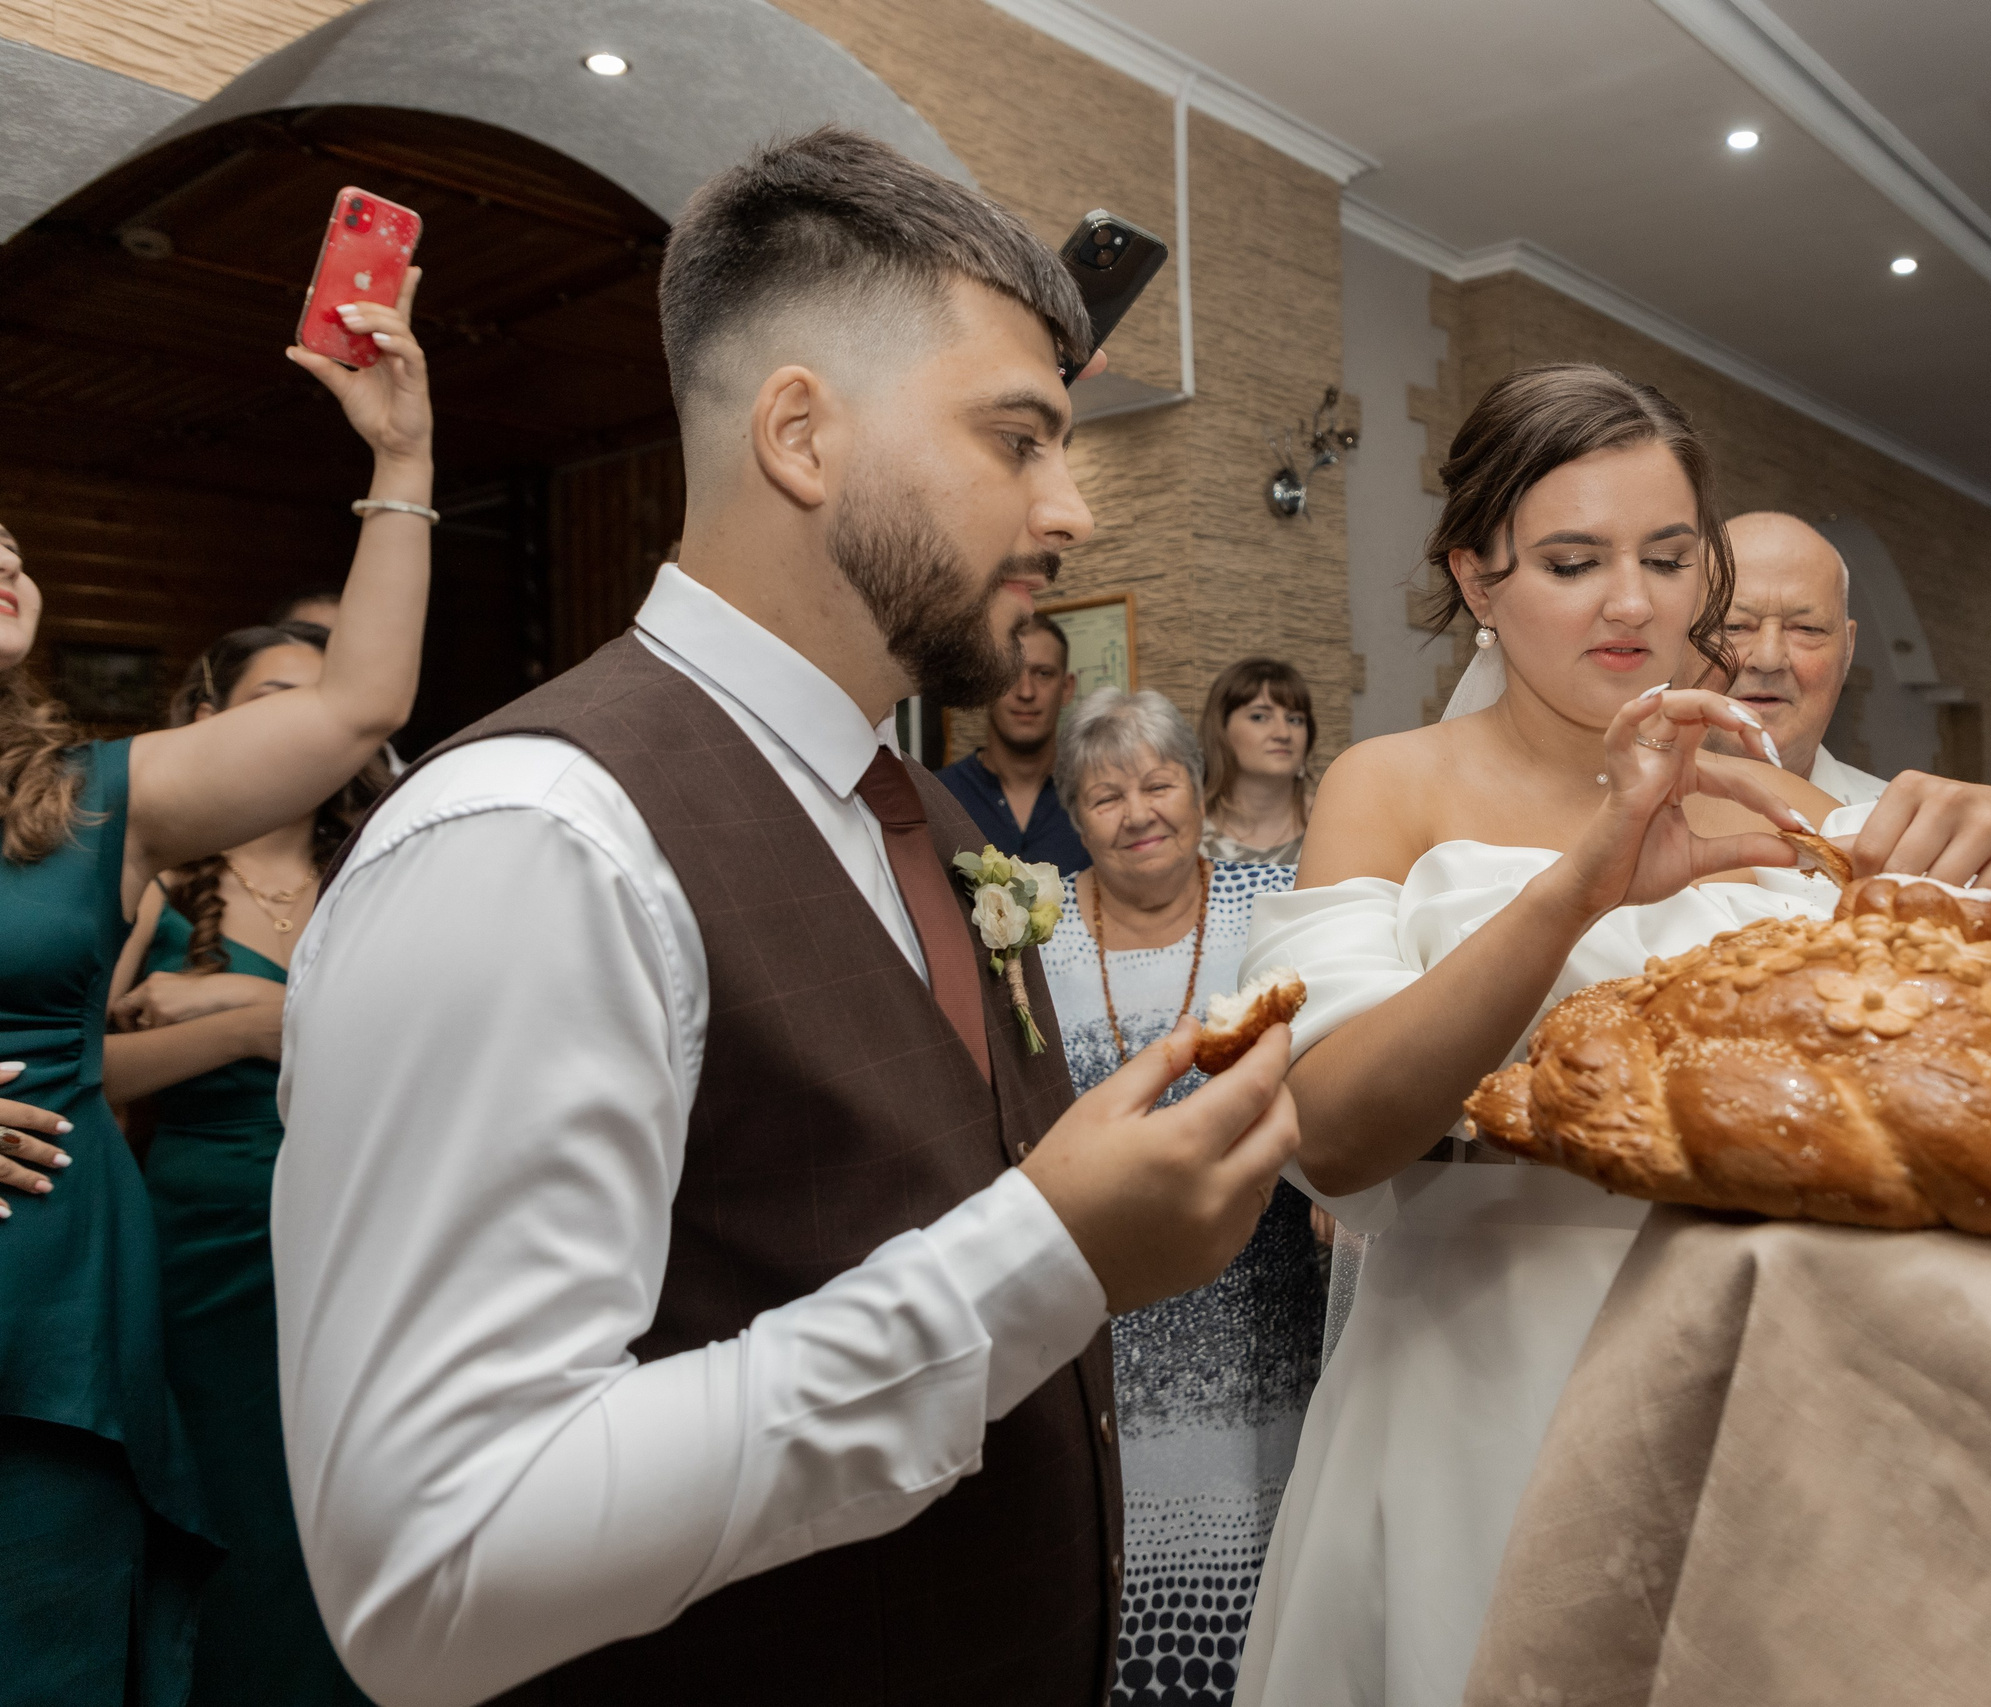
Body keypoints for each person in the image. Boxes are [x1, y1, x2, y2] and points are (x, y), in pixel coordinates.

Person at [270, 125, 1296, 1707]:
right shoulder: (541, 841)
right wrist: (1049, 1252)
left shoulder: (924, 809)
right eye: (1019, 439)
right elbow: (432, 1562)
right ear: (803, 435)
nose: (1073, 508)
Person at [1231, 363, 1991, 1706]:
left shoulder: (1778, 798)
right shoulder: (1389, 786)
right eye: (1573, 560)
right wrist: (1578, 884)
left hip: (1766, 1387)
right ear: (1480, 580)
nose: (1633, 602)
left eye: (1666, 553)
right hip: (1481, 1383)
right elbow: (1340, 1135)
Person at [0, 273, 435, 1704]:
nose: (3, 552)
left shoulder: (80, 807)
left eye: (11, 538)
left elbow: (353, 709)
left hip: (64, 1302)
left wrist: (400, 460)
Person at [98, 621, 387, 1707]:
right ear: (210, 726)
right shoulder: (157, 880)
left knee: (358, 1511)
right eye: (275, 696)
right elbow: (83, 1068)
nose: (310, 726)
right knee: (246, 1522)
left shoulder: (385, 868)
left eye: (330, 700)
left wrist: (267, 1005)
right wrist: (240, 1035)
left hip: (367, 1236)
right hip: (210, 1249)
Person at [1042, 686, 1321, 1707]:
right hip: (1098, 1333)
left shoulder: (1277, 906)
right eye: (1105, 795)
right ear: (1073, 816)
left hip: (1260, 1310)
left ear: (1200, 794)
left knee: (1266, 1607)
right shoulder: (1027, 936)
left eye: (1159, 784)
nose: (1138, 813)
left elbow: (1339, 1057)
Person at [1719, 509, 1887, 804]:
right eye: (1733, 626)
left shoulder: (1909, 834)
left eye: (1807, 629)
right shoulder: (1613, 818)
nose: (1768, 659)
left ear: (1848, 651)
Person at [937, 609, 1088, 875]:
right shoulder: (938, 798)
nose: (1026, 692)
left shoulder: (1096, 796)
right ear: (985, 685)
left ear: (1066, 688)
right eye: (1009, 672)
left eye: (1042, 674)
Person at [1197, 657, 1316, 864]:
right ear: (1220, 730)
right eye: (1260, 717)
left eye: (1294, 719)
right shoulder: (1186, 830)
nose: (1283, 733)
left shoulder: (1331, 825)